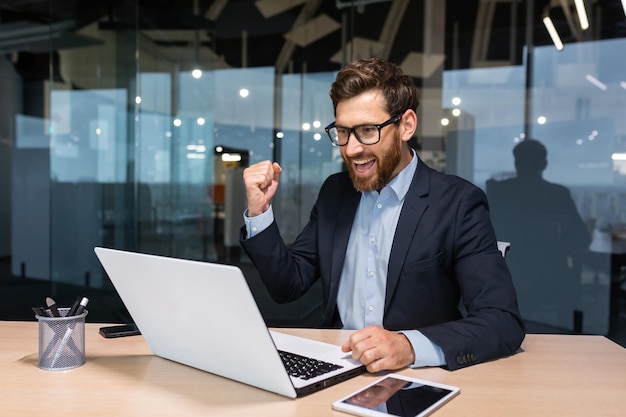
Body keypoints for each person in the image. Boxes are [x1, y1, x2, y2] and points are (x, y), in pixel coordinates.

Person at [240, 58, 524, 372]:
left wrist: (408, 345)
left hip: (417, 378)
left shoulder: (458, 203)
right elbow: (287, 285)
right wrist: (259, 211)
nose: (350, 149)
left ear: (406, 125)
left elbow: (501, 321)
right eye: (344, 132)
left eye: (367, 131)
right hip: (336, 366)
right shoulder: (335, 192)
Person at [486, 139, 591, 327]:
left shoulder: (498, 191)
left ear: (516, 162)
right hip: (549, 275)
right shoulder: (557, 194)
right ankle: (570, 339)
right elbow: (582, 238)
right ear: (544, 164)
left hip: (507, 272)